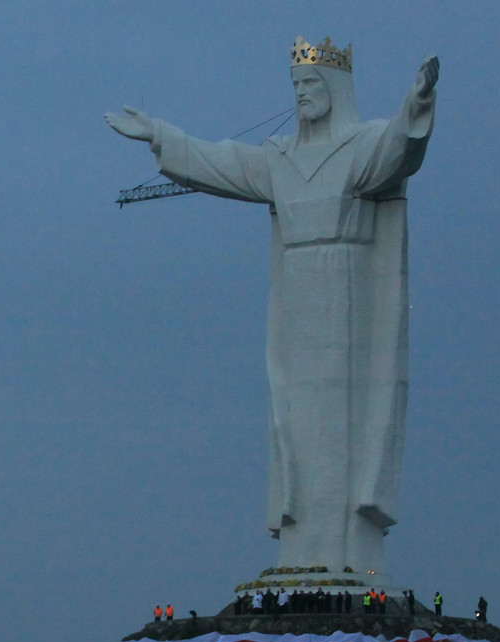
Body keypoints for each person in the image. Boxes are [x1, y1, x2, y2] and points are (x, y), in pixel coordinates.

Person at [106, 41, 438, 577]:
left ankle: (347, 552)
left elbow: (401, 149)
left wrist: (417, 104)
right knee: (295, 424)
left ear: (335, 90)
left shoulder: (361, 146)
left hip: (350, 299)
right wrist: (161, 135)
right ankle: (301, 550)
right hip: (296, 303)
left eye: (310, 85)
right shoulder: (280, 160)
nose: (302, 94)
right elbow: (220, 163)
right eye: (296, 87)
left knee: (345, 426)